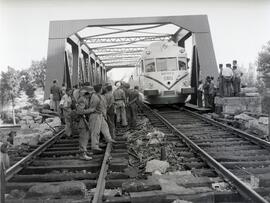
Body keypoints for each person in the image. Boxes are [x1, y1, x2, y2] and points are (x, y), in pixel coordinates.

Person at [89, 84, 116, 153]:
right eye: (101, 89)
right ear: (100, 90)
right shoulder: (95, 97)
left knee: (105, 127)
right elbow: (93, 108)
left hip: (100, 115)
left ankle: (108, 139)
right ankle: (94, 146)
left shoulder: (99, 96)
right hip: (96, 115)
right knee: (95, 131)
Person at [76, 87, 93, 160]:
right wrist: (90, 110)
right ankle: (82, 154)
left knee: (86, 136)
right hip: (82, 121)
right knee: (83, 137)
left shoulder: (84, 99)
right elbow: (80, 111)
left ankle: (84, 151)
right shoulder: (82, 100)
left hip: (84, 120)